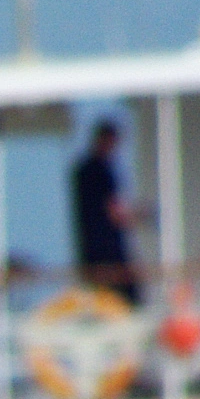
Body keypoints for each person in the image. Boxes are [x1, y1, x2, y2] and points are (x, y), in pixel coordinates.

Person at [69, 118, 142, 305]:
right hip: (107, 251)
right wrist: (139, 216)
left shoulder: (82, 169)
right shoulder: (99, 170)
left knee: (100, 298)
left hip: (90, 251)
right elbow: (114, 212)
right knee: (126, 296)